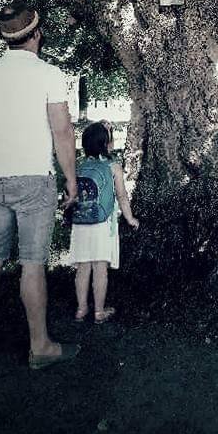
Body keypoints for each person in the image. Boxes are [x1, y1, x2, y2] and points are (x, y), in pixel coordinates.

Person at [0, 3, 80, 370]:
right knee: (32, 265)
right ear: (36, 33)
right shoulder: (49, 74)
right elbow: (62, 132)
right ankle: (40, 347)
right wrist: (71, 180)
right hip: (35, 179)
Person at [66, 120, 139, 322]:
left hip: (81, 222)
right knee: (100, 268)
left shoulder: (80, 167)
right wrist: (130, 218)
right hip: (102, 223)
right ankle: (99, 311)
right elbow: (122, 196)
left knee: (83, 267)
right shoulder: (113, 167)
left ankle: (81, 309)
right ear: (107, 144)